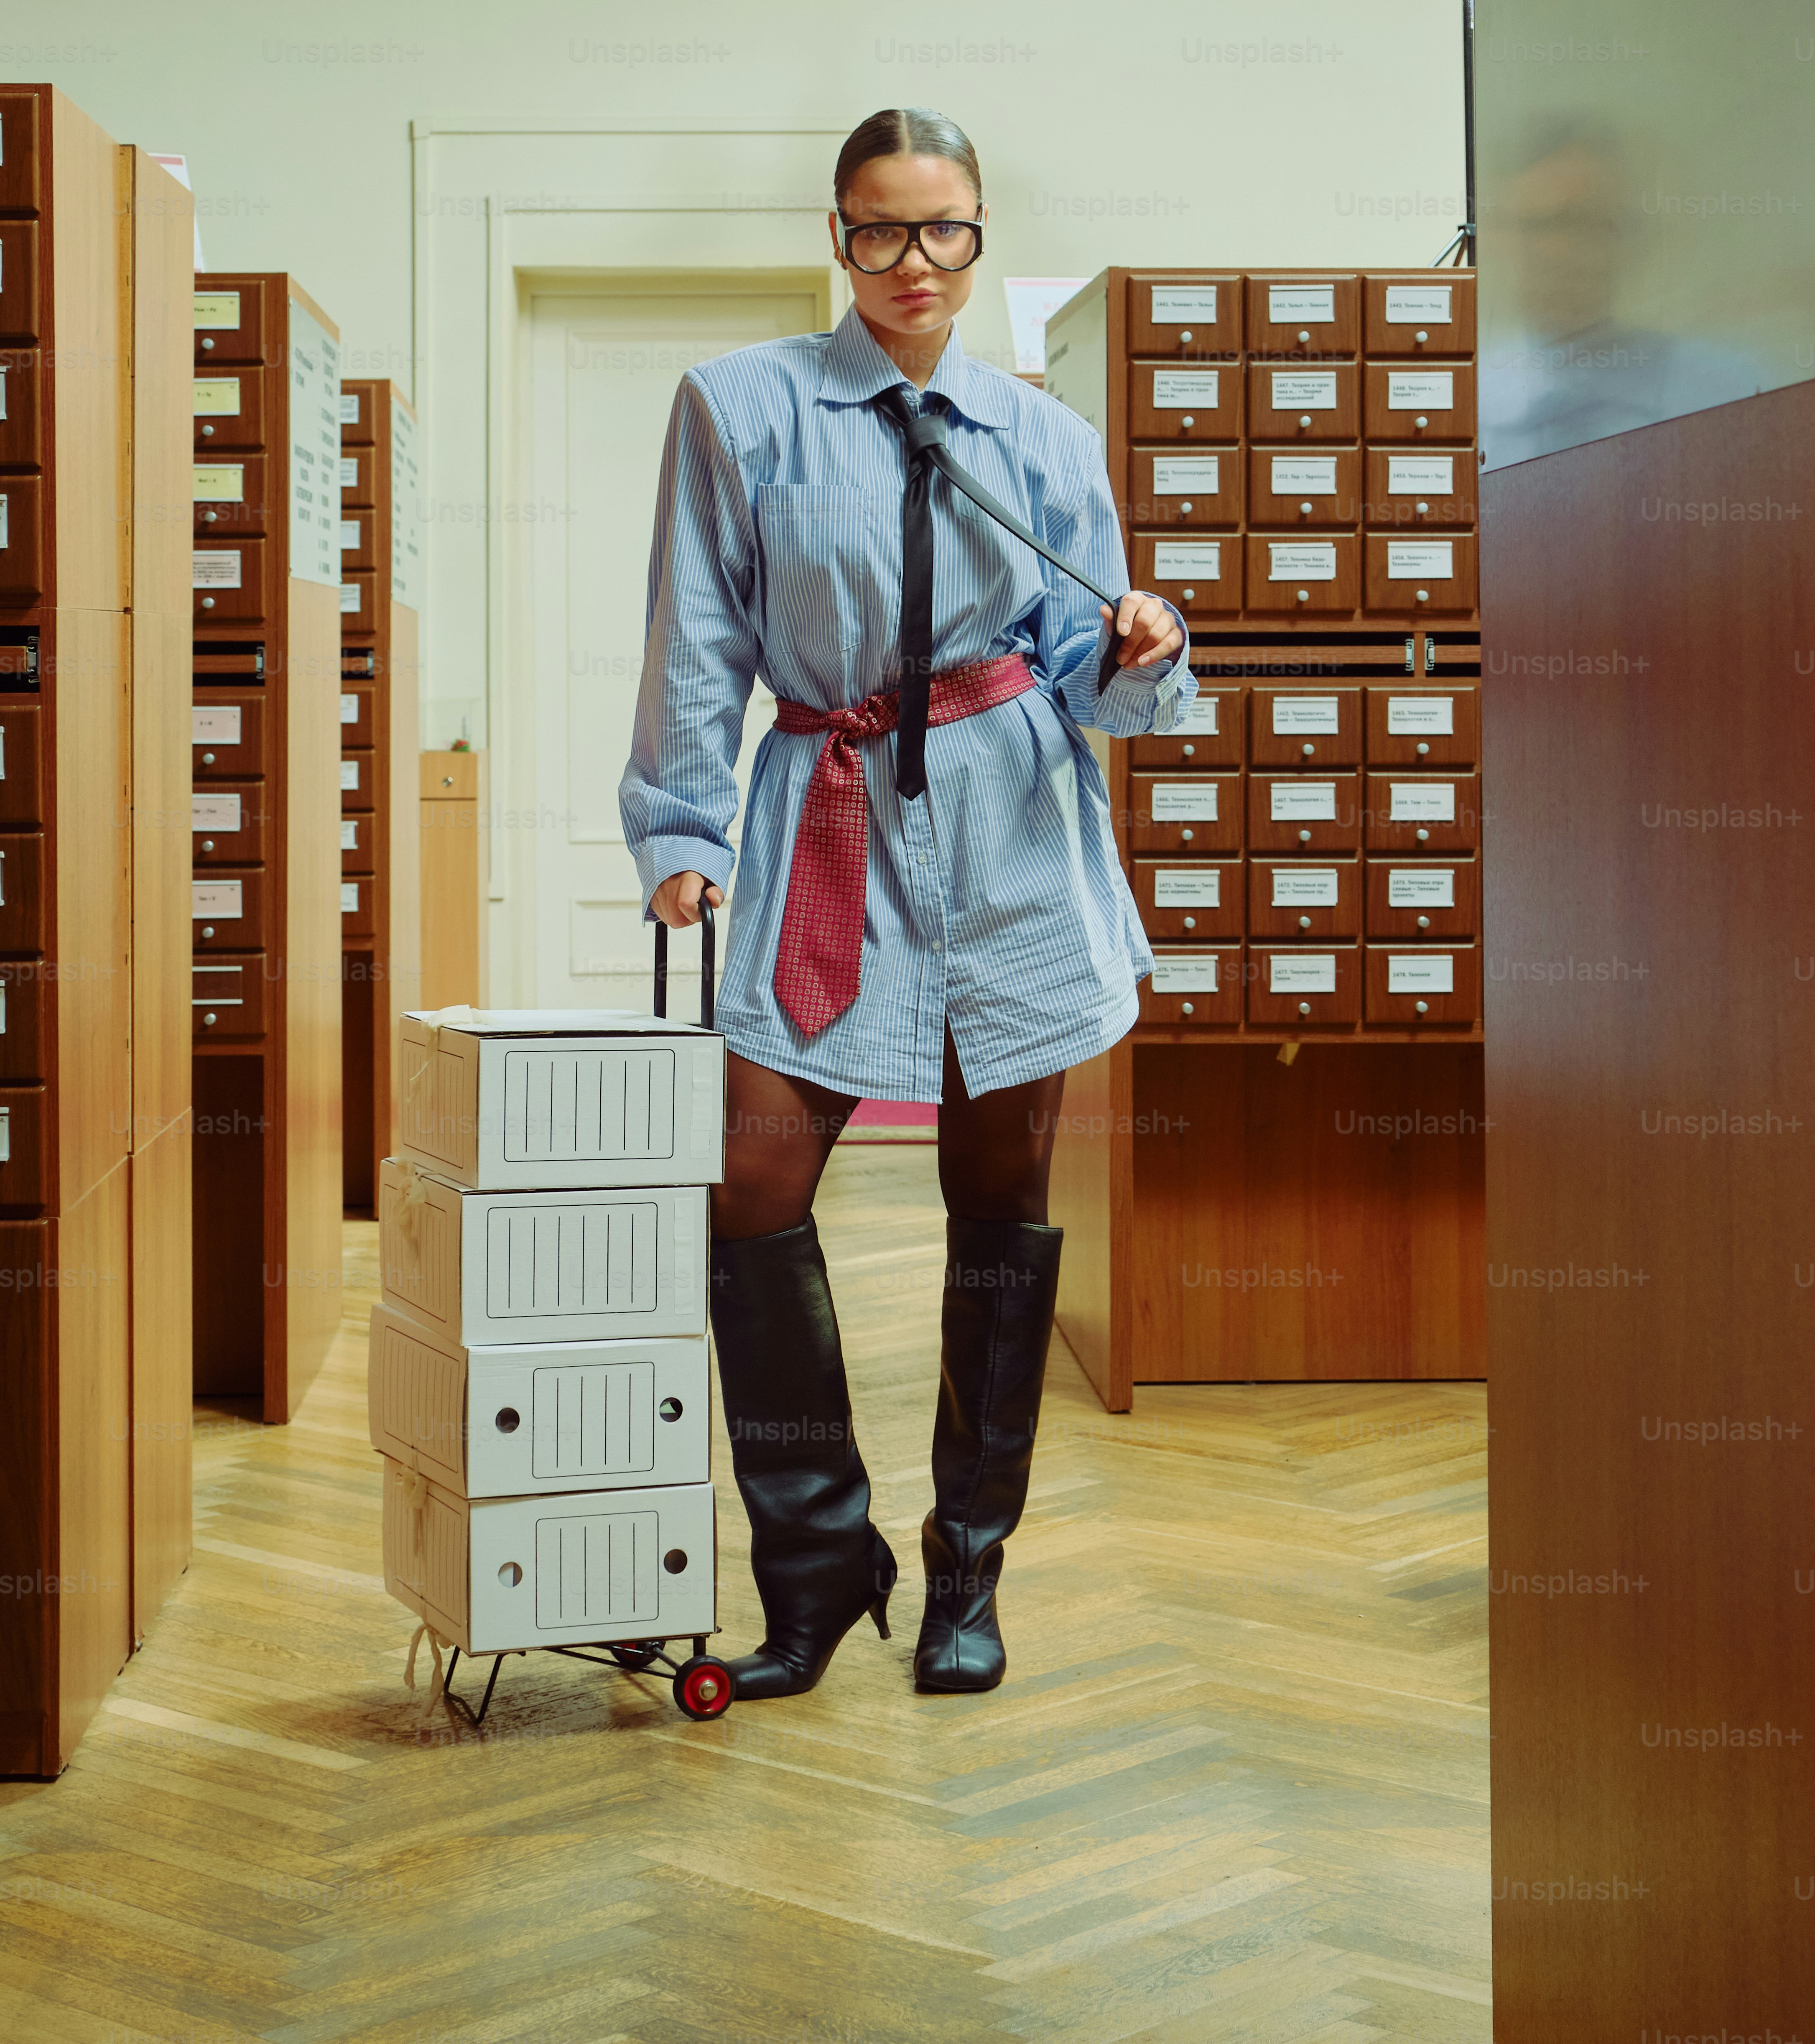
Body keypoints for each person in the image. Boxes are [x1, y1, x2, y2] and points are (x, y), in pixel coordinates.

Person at [618, 107, 1191, 1701]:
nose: (915, 263)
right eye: (883, 230)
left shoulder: (1046, 436)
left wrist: (1145, 648)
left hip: (1012, 835)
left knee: (999, 1200)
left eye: (946, 230)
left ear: (979, 234)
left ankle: (966, 1576)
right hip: (828, 819)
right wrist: (683, 831)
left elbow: (1091, 670)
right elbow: (698, 636)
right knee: (750, 1188)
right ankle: (815, 1572)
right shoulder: (742, 410)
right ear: (839, 237)